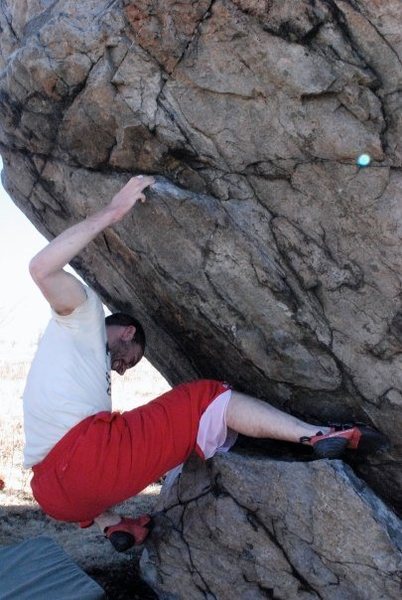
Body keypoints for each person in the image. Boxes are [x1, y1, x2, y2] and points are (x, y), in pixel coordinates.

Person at [23, 176, 388, 552]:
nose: (120, 368)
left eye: (126, 368)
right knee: (204, 397)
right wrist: (112, 213)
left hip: (53, 495)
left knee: (106, 457)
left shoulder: (72, 361)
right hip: (87, 458)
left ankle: (113, 525)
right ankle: (314, 434)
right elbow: (41, 268)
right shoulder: (82, 314)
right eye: (127, 360)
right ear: (127, 332)